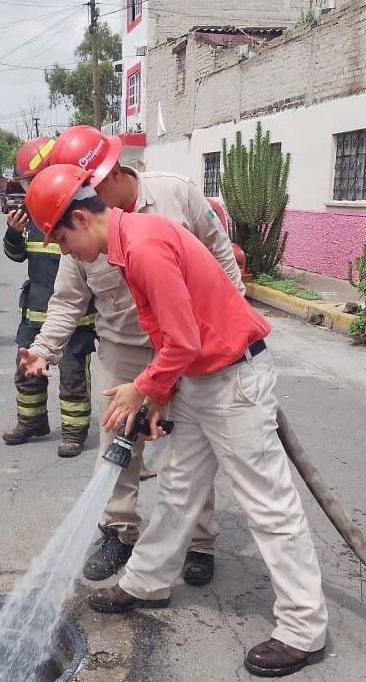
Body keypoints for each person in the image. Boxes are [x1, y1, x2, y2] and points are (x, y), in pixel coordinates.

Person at [24, 163, 328, 678]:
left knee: (269, 503)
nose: (66, 253)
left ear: (80, 219)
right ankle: (146, 581)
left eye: (62, 240)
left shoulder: (142, 247)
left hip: (232, 380)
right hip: (203, 378)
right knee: (180, 487)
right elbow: (172, 335)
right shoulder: (128, 242)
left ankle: (303, 628)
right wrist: (159, 395)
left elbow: (182, 340)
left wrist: (141, 388)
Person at [23, 125, 244, 584]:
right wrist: (44, 349)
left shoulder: (176, 194)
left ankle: (199, 539)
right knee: (118, 440)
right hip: (125, 348)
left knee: (190, 445)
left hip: (187, 349)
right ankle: (118, 531)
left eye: (90, 187)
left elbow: (220, 254)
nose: (87, 197)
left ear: (114, 174)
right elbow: (67, 300)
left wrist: (234, 323)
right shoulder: (81, 227)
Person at [2, 138, 95, 458]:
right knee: (26, 370)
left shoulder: (77, 214)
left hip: (74, 320)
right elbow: (16, 255)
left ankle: (74, 431)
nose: (28, 189)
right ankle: (32, 422)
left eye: (31, 181)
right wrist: (13, 234)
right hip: (35, 314)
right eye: (26, 183)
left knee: (72, 377)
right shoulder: (28, 216)